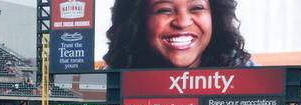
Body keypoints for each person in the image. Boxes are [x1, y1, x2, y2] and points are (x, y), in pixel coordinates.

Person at [103, 0, 251, 69]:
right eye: (165, 10)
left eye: (197, 8)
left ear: (215, 16)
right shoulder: (112, 83)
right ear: (137, 19)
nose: (182, 22)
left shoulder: (245, 73)